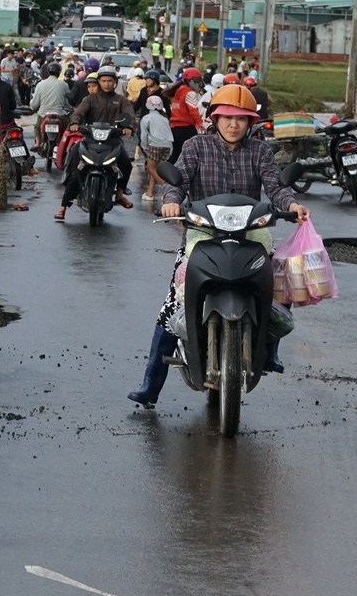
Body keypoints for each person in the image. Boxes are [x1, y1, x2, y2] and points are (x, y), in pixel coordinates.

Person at [128, 83, 308, 406]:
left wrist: (292, 205)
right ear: (215, 118)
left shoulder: (260, 152)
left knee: (279, 283)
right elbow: (178, 181)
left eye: (241, 118)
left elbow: (276, 187)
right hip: (203, 233)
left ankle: (269, 349)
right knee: (174, 301)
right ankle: (151, 384)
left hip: (250, 233)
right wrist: (170, 201)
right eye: (227, 117)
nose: (233, 125)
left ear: (250, 122)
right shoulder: (196, 146)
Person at [56, 66, 136, 221]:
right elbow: (78, 112)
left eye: (110, 81)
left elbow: (130, 115)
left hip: (113, 141)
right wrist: (74, 122)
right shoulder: (90, 99)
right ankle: (63, 207)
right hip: (90, 140)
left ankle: (120, 195)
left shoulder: (121, 100)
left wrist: (129, 127)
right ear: (99, 81)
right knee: (74, 162)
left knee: (126, 163)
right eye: (103, 81)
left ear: (115, 82)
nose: (107, 84)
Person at [138, 94, 173, 200]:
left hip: (155, 144)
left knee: (150, 167)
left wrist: (144, 147)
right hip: (168, 145)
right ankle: (150, 192)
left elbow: (143, 135)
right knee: (156, 169)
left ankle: (169, 188)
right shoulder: (164, 118)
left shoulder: (146, 118)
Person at [169, 67, 204, 152]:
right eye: (195, 82)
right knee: (190, 153)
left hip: (174, 127)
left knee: (176, 154)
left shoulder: (178, 91)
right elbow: (194, 111)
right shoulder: (190, 93)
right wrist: (201, 124)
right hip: (186, 128)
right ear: (188, 81)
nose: (197, 84)